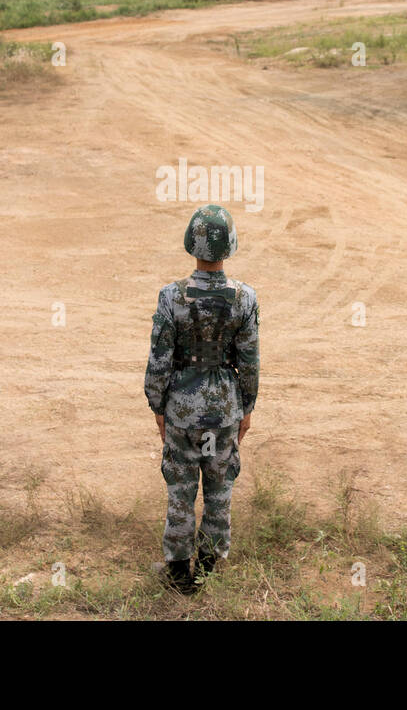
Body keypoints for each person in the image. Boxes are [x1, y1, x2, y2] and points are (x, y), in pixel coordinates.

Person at [143, 204, 259, 594]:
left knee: (180, 490)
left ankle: (178, 574)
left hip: (182, 410)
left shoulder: (171, 296)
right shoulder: (245, 298)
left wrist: (158, 407)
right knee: (219, 487)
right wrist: (247, 407)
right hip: (224, 409)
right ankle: (208, 567)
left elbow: (158, 360)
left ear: (192, 243)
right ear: (230, 247)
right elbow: (250, 361)